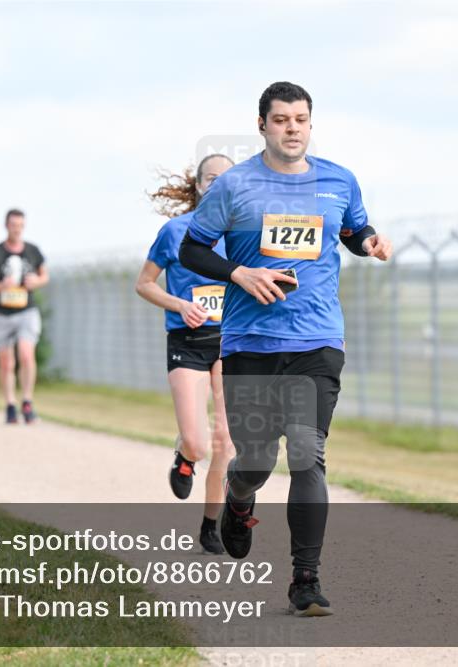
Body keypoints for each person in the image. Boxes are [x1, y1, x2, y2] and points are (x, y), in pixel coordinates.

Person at [179, 82, 393, 616]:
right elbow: (192, 249)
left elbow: (352, 227)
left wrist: (368, 242)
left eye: (301, 119)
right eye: (281, 120)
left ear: (310, 124)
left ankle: (305, 580)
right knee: (255, 458)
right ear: (262, 126)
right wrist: (239, 272)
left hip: (317, 340)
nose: (292, 128)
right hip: (251, 343)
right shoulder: (234, 185)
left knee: (306, 453)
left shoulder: (338, 179)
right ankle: (238, 496)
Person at [136, 154, 236, 555]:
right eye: (210, 178)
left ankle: (212, 525)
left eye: (226, 179)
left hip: (233, 341)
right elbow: (144, 284)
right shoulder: (175, 231)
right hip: (188, 342)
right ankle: (184, 454)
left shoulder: (244, 233)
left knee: (227, 443)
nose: (217, 185)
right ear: (198, 186)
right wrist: (179, 305)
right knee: (199, 443)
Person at [0, 209, 48, 424]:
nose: (16, 229)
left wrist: (36, 281)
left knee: (27, 354)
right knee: (7, 362)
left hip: (26, 311)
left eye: (20, 225)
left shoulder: (33, 250)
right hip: (1, 315)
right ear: (6, 226)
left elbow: (45, 275)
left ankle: (27, 401)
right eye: (13, 225)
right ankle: (10, 404)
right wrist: (1, 285)